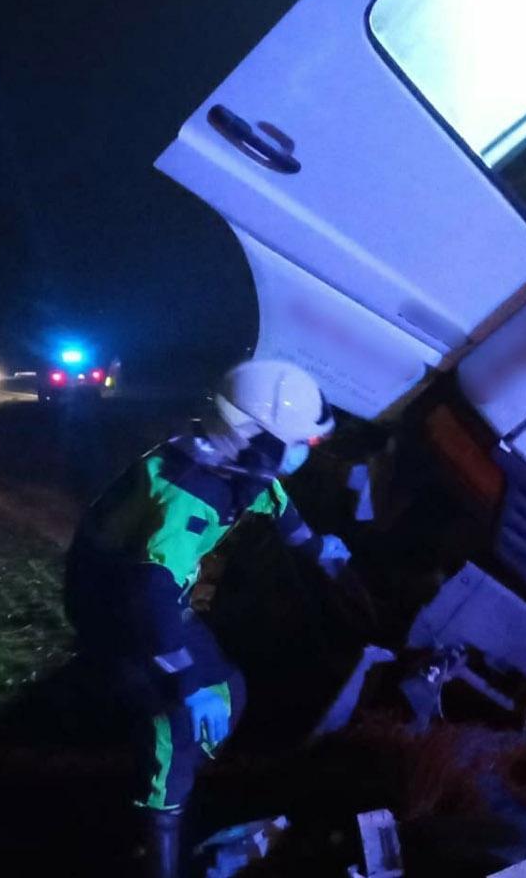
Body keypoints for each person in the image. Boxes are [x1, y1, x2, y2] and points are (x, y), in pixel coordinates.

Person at [64, 359, 349, 878]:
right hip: (117, 614)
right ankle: (157, 841)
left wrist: (318, 548)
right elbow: (145, 592)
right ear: (261, 441)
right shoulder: (190, 492)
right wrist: (184, 680)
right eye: (302, 445)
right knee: (178, 718)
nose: (306, 454)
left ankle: (173, 776)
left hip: (153, 603)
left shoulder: (236, 465)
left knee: (229, 690)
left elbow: (275, 503)